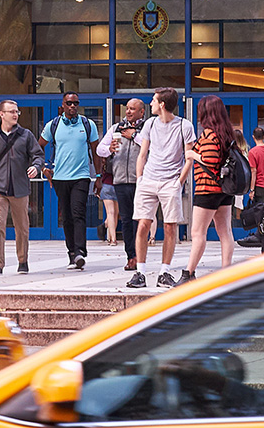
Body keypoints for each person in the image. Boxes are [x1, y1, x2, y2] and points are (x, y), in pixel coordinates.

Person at [127, 87, 195, 289]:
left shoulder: (184, 125)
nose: (151, 104)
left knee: (170, 226)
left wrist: (179, 182)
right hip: (148, 179)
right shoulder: (150, 123)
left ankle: (164, 272)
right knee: (143, 224)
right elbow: (143, 154)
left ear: (162, 104)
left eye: (154, 100)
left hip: (170, 182)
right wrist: (140, 179)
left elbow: (189, 157)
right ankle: (140, 272)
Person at [0, 99, 43, 276]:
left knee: (22, 228)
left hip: (20, 189)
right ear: (1, 114)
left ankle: (23, 261)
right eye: (11, 111)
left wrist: (36, 167)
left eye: (17, 111)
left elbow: (38, 155)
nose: (15, 114)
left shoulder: (26, 135)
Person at [178, 95, 236, 282]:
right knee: (225, 231)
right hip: (224, 190)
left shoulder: (210, 134)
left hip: (207, 189)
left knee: (197, 232)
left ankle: (189, 273)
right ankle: (226, 271)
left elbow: (210, 161)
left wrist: (192, 154)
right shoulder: (227, 133)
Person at [39, 92, 99, 269]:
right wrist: (43, 167)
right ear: (63, 105)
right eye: (69, 103)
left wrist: (98, 177)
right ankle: (72, 253)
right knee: (66, 217)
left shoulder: (88, 124)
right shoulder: (53, 125)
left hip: (81, 176)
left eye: (76, 103)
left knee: (78, 213)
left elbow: (96, 152)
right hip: (59, 178)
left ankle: (80, 251)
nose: (73, 106)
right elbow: (38, 146)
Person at [96, 98, 146, 271]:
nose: (129, 111)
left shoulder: (147, 128)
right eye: (127, 108)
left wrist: (134, 136)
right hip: (120, 181)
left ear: (141, 112)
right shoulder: (116, 128)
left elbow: (152, 147)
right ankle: (130, 256)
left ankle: (139, 256)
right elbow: (99, 149)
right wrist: (109, 148)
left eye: (133, 109)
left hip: (140, 181)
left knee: (139, 220)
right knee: (125, 220)